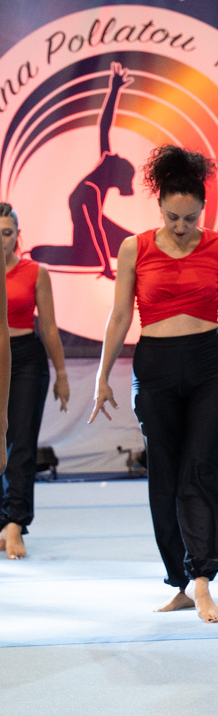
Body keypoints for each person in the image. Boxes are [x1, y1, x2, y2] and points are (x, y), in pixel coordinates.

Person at [89, 145, 218, 623]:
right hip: (155, 368)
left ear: (203, 210)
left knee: (201, 467)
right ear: (159, 207)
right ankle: (181, 582)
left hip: (210, 366)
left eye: (190, 218)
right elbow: (120, 316)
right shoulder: (135, 248)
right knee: (165, 476)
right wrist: (102, 377)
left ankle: (203, 577)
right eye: (172, 218)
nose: (181, 227)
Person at [1, 203, 69, 559]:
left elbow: (50, 327)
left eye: (7, 233)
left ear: (17, 236)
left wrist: (62, 374)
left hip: (26, 359)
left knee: (21, 442)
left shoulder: (35, 272)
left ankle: (15, 521)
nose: (1, 241)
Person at [30, 62, 137, 278]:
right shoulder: (90, 188)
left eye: (119, 159)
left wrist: (114, 89)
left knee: (136, 244)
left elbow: (104, 126)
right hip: (86, 241)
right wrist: (106, 266)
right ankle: (42, 253)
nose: (115, 154)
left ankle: (48, 253)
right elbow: (96, 229)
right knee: (96, 253)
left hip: (94, 232)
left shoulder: (105, 169)